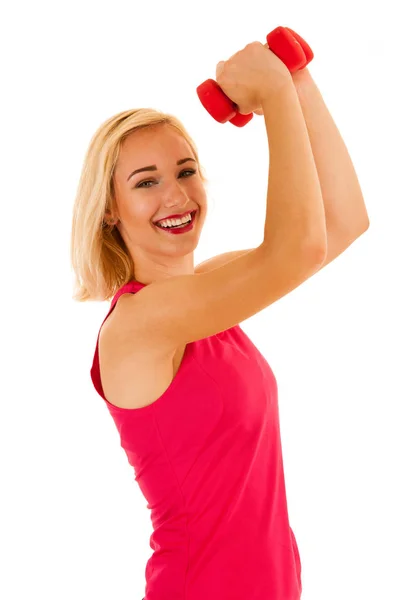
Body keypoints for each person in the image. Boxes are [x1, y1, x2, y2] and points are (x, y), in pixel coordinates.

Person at [71, 42, 328, 599]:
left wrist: (298, 82)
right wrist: (274, 97)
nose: (176, 195)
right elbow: (299, 248)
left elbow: (335, 224)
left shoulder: (209, 298)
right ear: (110, 209)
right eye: (146, 182)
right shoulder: (140, 323)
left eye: (186, 171)